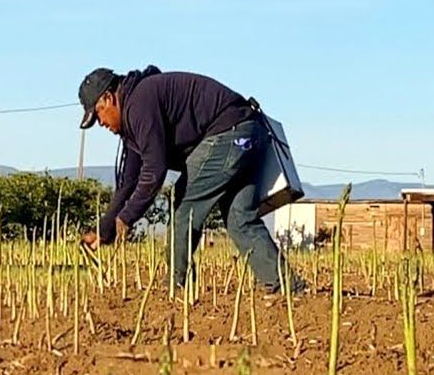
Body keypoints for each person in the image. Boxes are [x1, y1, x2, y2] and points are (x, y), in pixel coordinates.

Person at [77, 65, 303, 294]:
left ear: (108, 98)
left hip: (228, 133)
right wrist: (105, 227)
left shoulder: (139, 104)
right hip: (250, 131)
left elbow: (154, 170)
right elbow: (129, 181)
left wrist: (126, 218)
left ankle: (177, 286)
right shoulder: (135, 115)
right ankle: (286, 286)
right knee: (239, 219)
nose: (101, 124)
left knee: (184, 206)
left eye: (98, 115)